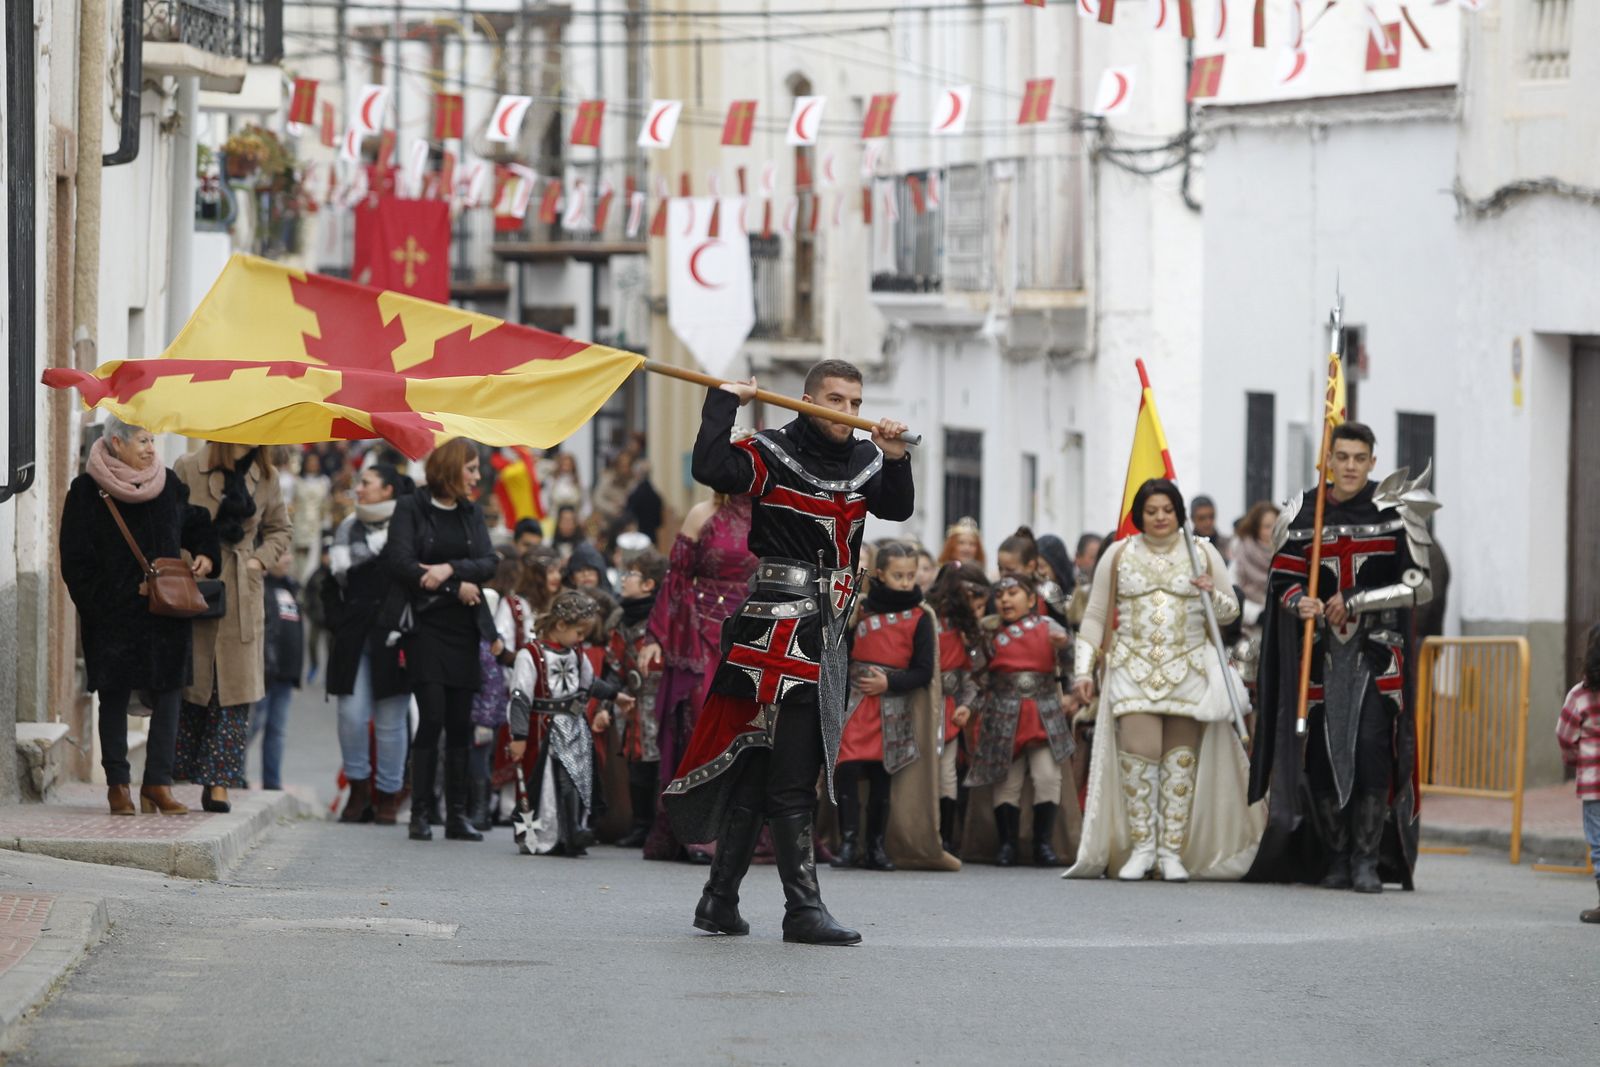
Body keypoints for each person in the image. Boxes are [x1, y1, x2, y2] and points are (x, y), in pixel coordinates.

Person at [664, 359, 912, 946]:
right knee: (790, 773)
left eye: (855, 402)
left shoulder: (865, 458)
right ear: (806, 399)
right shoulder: (770, 450)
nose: (846, 412)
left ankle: (719, 900)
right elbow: (709, 465)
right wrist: (725, 402)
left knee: (760, 771)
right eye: (835, 399)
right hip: (773, 629)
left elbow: (896, 509)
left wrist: (896, 456)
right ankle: (802, 909)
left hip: (828, 632)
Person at [1247, 423, 1438, 893]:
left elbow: (1419, 585)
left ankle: (1367, 859)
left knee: (1372, 749)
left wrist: (1357, 599)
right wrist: (1299, 602)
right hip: (1319, 656)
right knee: (1320, 754)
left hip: (1376, 654)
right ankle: (1334, 857)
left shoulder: (1395, 510)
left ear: (1373, 461)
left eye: (1359, 457)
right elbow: (1283, 579)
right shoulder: (1304, 511)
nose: (1350, 466)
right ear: (1327, 460)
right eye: (1342, 456)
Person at [1067, 479, 1262, 882]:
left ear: (1178, 513)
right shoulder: (1118, 554)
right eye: (1152, 510)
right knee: (1141, 754)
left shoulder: (1203, 552)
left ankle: (1171, 851)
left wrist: (1212, 593)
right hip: (1131, 668)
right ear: (1140, 514)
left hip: (1188, 669)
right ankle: (1141, 847)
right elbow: (1094, 615)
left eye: (1167, 510)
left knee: (1180, 761)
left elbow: (1229, 614)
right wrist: (1083, 671)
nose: (1159, 517)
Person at [59, 417, 220, 816]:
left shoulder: (166, 484)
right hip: (112, 618)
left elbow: (197, 523)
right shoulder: (85, 491)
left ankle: (157, 784)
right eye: (143, 441)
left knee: (168, 696)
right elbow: (74, 562)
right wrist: (105, 603)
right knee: (112, 697)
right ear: (117, 442)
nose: (151, 448)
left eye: (153, 440)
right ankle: (118, 786)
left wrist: (204, 554)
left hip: (165, 614)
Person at [384, 437, 498, 843]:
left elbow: (489, 562)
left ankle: (458, 815)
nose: (477, 476)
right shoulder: (411, 506)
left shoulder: (471, 513)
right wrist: (452, 587)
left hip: (463, 629)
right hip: (424, 626)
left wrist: (449, 569)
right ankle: (420, 812)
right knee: (431, 717)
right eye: (471, 468)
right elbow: (398, 561)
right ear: (450, 469)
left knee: (460, 724)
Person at [640, 484, 758, 864]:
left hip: (752, 631)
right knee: (700, 723)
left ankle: (741, 829)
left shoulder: (770, 514)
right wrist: (657, 634)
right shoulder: (701, 513)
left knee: (748, 728)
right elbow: (676, 577)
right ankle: (696, 831)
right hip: (700, 630)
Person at [174, 441, 292, 814]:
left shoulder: (267, 475)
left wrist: (258, 561)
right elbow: (168, 521)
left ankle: (220, 783)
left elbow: (280, 530)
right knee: (194, 684)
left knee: (235, 691)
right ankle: (173, 775)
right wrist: (187, 560)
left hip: (242, 589)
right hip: (196, 582)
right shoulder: (189, 466)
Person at [833, 541, 950, 872]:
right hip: (856, 704)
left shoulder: (920, 616)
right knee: (848, 767)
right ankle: (847, 844)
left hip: (893, 706)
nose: (905, 582)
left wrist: (890, 683)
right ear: (881, 574)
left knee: (881, 777)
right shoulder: (861, 608)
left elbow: (924, 671)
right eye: (898, 575)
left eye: (911, 575)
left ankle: (875, 848)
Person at [507, 591, 630, 856]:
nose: (582, 639)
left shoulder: (575, 654)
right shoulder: (530, 655)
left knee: (577, 779)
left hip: (575, 729)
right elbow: (519, 698)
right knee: (556, 780)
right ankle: (560, 832)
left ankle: (573, 830)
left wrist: (615, 696)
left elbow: (589, 683)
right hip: (544, 732)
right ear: (560, 626)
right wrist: (518, 736)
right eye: (579, 631)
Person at [964, 574, 1074, 867]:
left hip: (1043, 710)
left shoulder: (1048, 627)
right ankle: (1007, 845)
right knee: (1007, 781)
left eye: (1013, 593)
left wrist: (1071, 690)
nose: (1005, 600)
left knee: (1048, 776)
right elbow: (978, 674)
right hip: (1002, 712)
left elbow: (1070, 661)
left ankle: (1043, 844)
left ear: (1029, 598)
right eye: (1000, 595)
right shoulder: (988, 633)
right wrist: (969, 705)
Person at [326, 464, 413, 825]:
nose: (359, 489)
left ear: (388, 490)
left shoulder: (407, 530)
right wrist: (338, 622)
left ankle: (389, 795)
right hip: (354, 636)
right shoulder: (346, 528)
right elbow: (330, 586)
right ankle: (359, 788)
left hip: (394, 636)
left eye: (367, 483)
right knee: (351, 713)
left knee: (392, 721)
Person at [925, 561, 990, 854]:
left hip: (950, 704)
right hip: (920, 703)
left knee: (947, 772)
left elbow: (973, 673)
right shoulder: (924, 616)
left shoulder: (967, 629)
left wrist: (967, 703)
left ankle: (945, 839)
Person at [610, 549, 667, 848]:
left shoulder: (662, 618)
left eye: (630, 574)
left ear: (648, 584)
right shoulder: (621, 619)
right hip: (631, 701)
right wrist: (611, 693)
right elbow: (614, 661)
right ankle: (640, 824)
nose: (624, 580)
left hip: (659, 701)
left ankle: (660, 826)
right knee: (637, 766)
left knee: (660, 764)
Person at [1557, 624, 1600, 924]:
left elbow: (1565, 735)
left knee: (1599, 842)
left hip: (1594, 784)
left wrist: (1576, 762)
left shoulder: (1580, 695)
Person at [251, 551, 303, 791]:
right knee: (252, 727)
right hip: (265, 672)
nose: (288, 559)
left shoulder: (289, 587)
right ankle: (233, 778)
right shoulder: (260, 587)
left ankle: (272, 782)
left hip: (286, 673)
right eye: (282, 554)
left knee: (277, 731)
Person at [1227, 501, 1280, 635]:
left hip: (1281, 627)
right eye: (1267, 526)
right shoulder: (1241, 554)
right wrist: (1258, 614)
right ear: (1256, 529)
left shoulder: (1288, 553)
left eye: (1277, 525)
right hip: (1250, 631)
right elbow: (1230, 595)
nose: (1273, 530)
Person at [291, 450, 330, 583]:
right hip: (299, 525)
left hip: (316, 526)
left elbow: (326, 506)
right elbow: (293, 504)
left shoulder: (324, 482)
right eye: (310, 462)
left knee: (313, 561)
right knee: (299, 560)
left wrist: (326, 527)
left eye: (315, 462)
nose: (313, 465)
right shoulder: (296, 482)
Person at [1066, 533, 1103, 627]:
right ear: (1078, 557)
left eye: (1102, 558)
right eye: (1093, 557)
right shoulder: (1066, 581)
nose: (1098, 562)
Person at [1190, 494, 1230, 559]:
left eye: (1211, 517)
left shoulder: (1228, 545)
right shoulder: (1186, 546)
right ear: (1192, 518)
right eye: (1201, 518)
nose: (1208, 522)